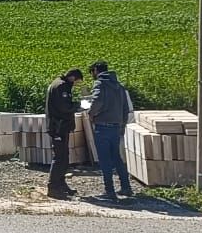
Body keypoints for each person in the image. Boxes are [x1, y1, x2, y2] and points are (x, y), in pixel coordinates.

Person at [87, 59, 135, 200]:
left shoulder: (100, 84)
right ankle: (126, 187)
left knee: (104, 160)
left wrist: (91, 114)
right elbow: (126, 108)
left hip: (102, 127)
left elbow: (97, 101)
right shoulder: (119, 86)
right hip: (116, 127)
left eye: (92, 72)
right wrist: (122, 126)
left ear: (96, 70)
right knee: (117, 158)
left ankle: (109, 191)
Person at [45, 67, 83, 199]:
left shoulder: (59, 84)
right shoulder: (61, 87)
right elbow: (64, 107)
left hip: (61, 126)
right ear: (72, 77)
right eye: (77, 82)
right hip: (58, 127)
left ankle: (61, 184)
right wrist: (79, 105)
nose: (76, 84)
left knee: (64, 157)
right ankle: (53, 187)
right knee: (59, 157)